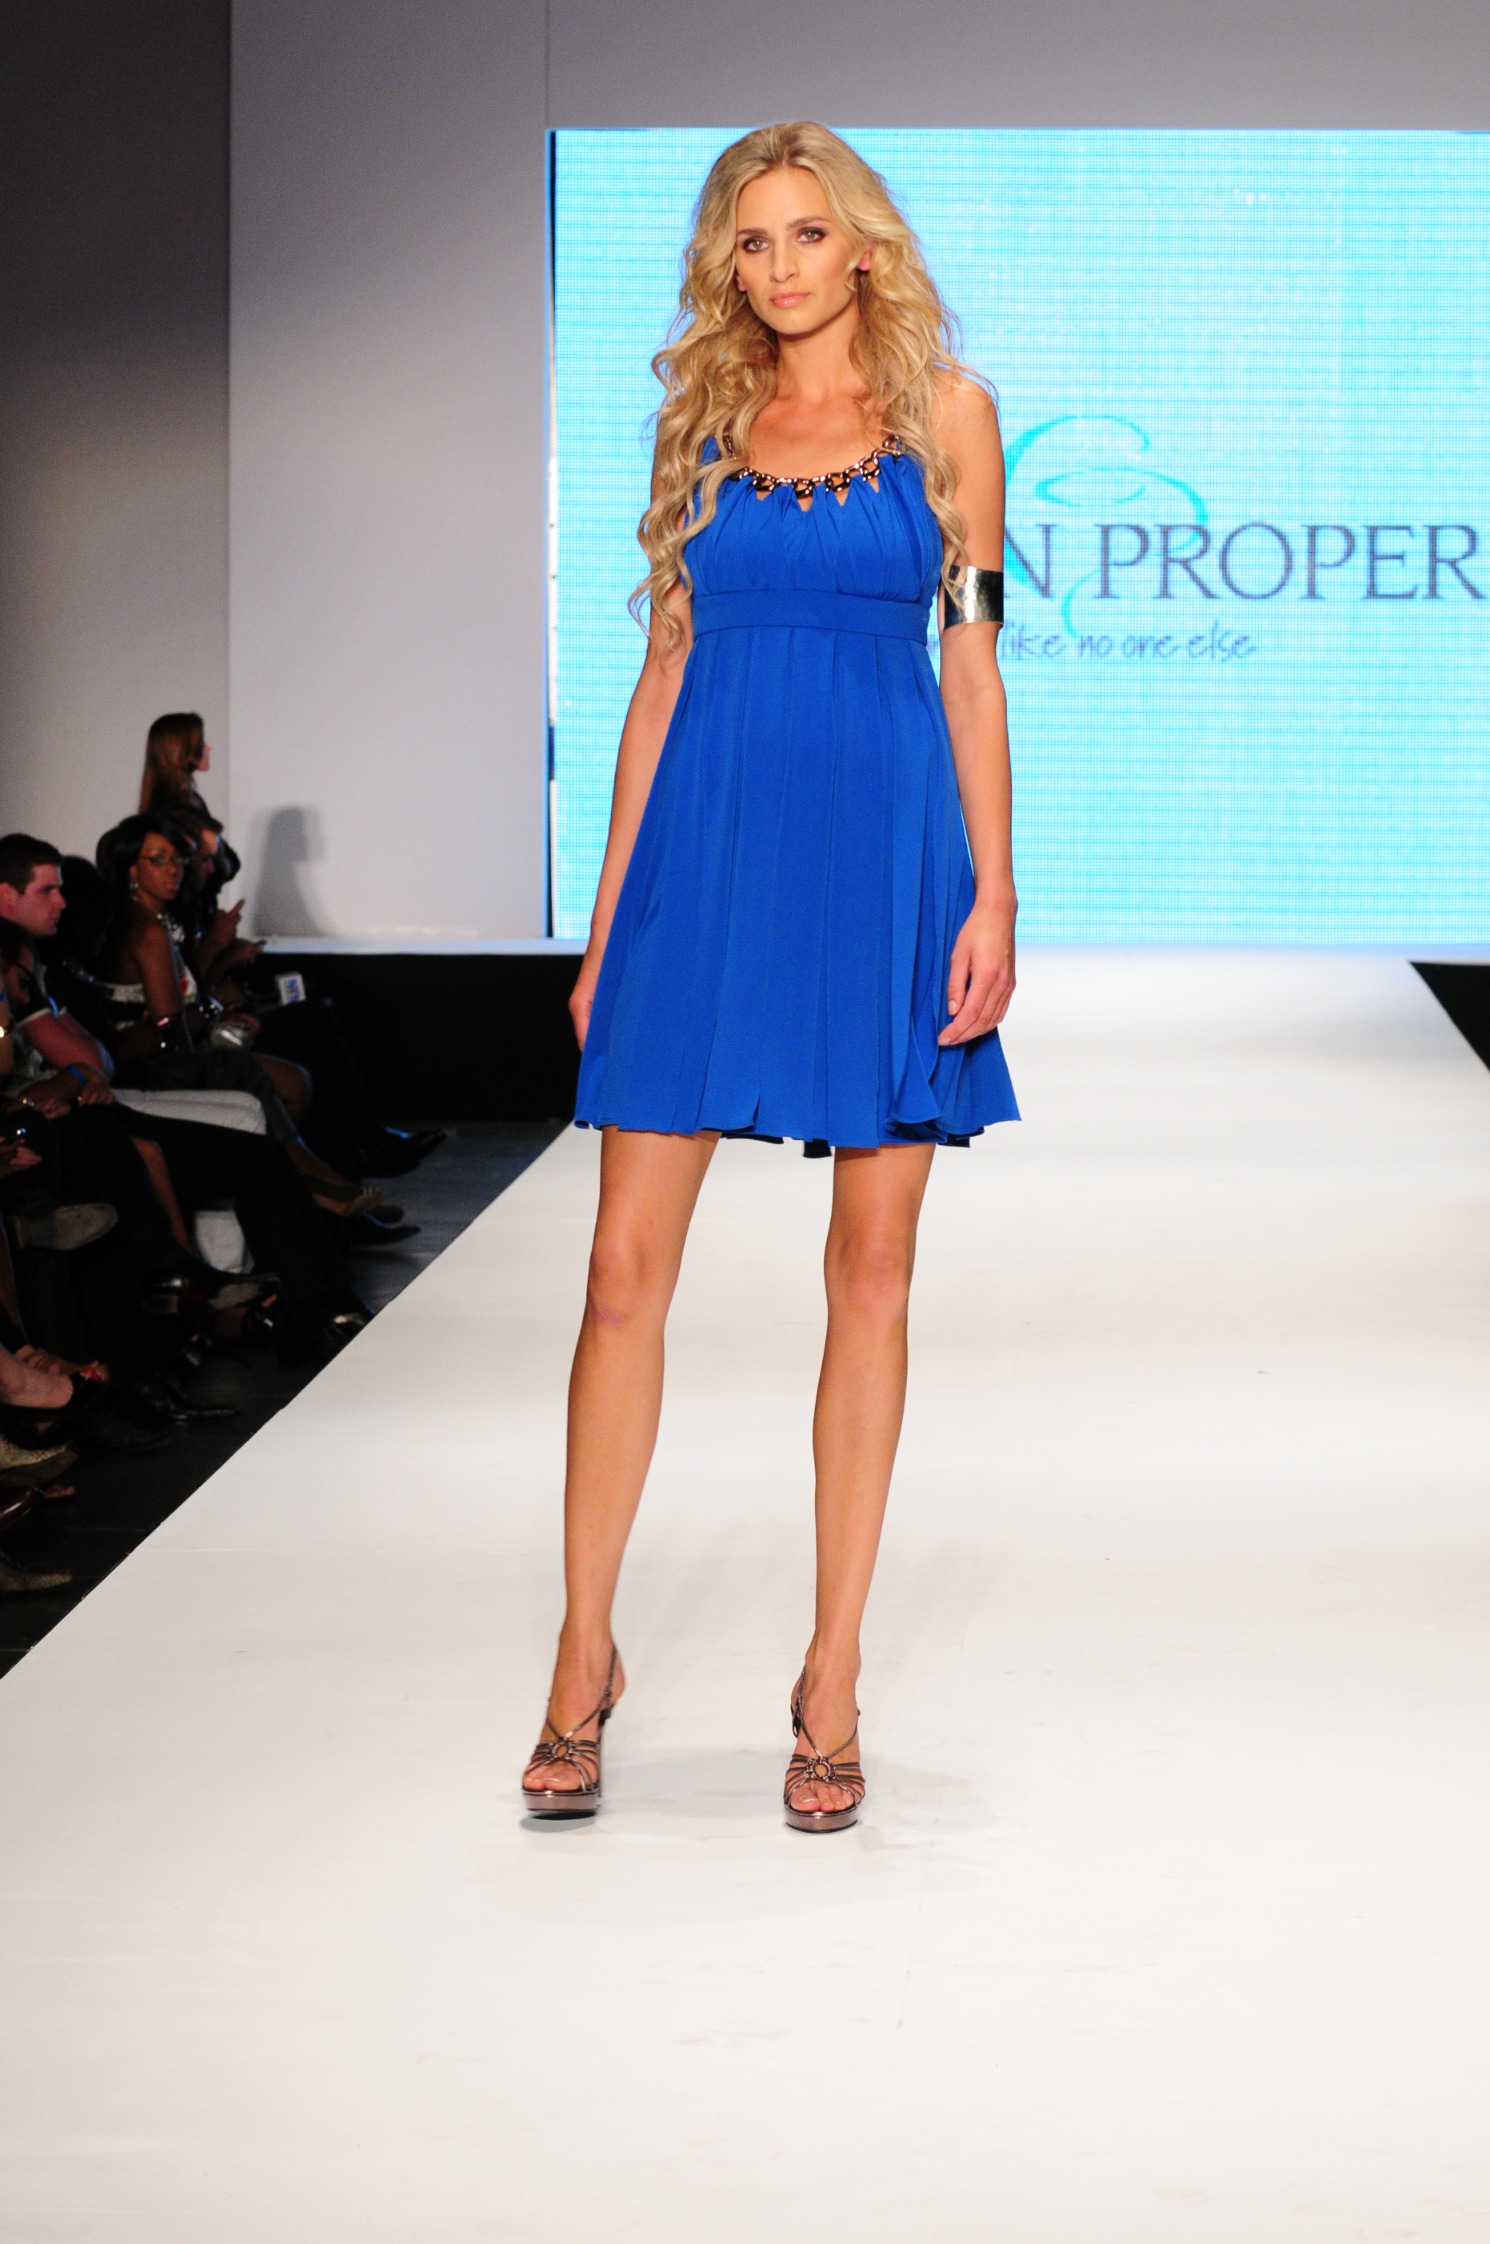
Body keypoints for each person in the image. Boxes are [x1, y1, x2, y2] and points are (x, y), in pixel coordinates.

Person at [521, 123, 1018, 1830]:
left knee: (869, 1270)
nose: (782, 265)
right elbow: (661, 675)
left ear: (861, 248)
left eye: (808, 234)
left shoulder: (947, 417)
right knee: (616, 1271)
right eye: (752, 241)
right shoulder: (703, 424)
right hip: (704, 860)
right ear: (725, 265)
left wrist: (992, 892)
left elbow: (971, 668)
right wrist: (608, 926)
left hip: (884, 856)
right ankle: (581, 1654)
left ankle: (831, 1672)